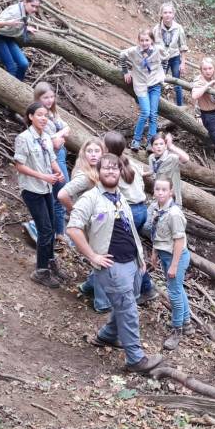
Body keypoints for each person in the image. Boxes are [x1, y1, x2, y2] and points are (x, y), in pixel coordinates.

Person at [67, 154, 163, 373]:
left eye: (114, 168)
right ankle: (135, 360)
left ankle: (107, 336)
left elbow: (129, 230)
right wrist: (93, 256)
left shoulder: (119, 195)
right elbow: (73, 228)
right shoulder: (90, 198)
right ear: (98, 172)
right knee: (128, 310)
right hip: (112, 267)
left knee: (127, 303)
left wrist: (140, 257)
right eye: (106, 168)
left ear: (120, 172)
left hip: (132, 262)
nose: (111, 171)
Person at [13, 101, 66, 288]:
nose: (44, 119)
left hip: (46, 188)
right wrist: (43, 176)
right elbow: (19, 165)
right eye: (40, 115)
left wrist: (58, 171)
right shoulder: (24, 138)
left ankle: (50, 261)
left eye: (46, 116)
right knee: (45, 230)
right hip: (32, 190)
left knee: (51, 227)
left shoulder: (45, 138)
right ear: (31, 117)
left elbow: (51, 158)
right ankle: (41, 271)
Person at [102, 131, 159, 305]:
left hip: (129, 213)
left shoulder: (112, 168)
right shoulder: (130, 162)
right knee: (131, 249)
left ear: (108, 149)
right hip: (141, 210)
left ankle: (145, 288)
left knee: (129, 253)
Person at [58, 137, 113, 314]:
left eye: (97, 151)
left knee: (102, 257)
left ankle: (89, 286)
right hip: (90, 224)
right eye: (90, 151)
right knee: (101, 259)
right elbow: (62, 194)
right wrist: (74, 211)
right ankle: (102, 302)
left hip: (98, 220)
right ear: (84, 154)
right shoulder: (84, 177)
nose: (93, 155)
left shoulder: (96, 172)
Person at [147, 178, 192, 350]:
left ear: (171, 192)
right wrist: (154, 253)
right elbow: (157, 233)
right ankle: (186, 323)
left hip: (176, 257)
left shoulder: (174, 214)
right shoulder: (157, 209)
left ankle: (176, 329)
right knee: (178, 289)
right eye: (157, 189)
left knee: (173, 293)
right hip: (165, 254)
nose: (160, 192)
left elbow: (179, 241)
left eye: (164, 189)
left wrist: (174, 265)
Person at [33, 81, 71, 245]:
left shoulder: (52, 113)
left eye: (51, 97)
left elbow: (67, 128)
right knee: (61, 193)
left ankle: (57, 229)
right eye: (45, 97)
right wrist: (60, 136)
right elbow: (53, 143)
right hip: (52, 158)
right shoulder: (39, 117)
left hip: (60, 155)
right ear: (38, 98)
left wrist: (59, 135)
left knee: (58, 192)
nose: (49, 100)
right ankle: (59, 233)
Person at [120, 28, 164, 152]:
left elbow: (166, 58)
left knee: (153, 115)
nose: (144, 43)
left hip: (154, 85)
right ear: (138, 41)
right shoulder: (134, 51)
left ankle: (151, 143)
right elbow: (122, 56)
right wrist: (125, 72)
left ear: (152, 41)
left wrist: (163, 73)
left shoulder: (157, 50)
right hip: (141, 85)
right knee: (145, 112)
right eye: (142, 40)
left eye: (147, 40)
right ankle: (136, 140)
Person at [0, 0, 40, 80]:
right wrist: (8, 23)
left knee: (24, 64)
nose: (34, 9)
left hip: (8, 38)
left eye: (36, 7)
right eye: (32, 6)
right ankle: (7, 87)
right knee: (12, 68)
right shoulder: (14, 11)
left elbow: (20, 21)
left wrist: (25, 27)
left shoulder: (26, 10)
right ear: (25, 2)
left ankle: (18, 84)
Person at [153, 2, 189, 107]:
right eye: (165, 12)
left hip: (174, 58)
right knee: (158, 81)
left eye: (170, 12)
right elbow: (152, 46)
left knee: (177, 82)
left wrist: (183, 63)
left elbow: (183, 46)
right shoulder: (156, 29)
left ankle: (179, 107)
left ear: (173, 14)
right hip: (161, 59)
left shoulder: (178, 28)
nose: (167, 15)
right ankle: (156, 104)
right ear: (161, 14)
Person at [148, 132, 189, 205]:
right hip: (159, 196)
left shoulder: (171, 157)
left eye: (161, 144)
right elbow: (152, 172)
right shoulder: (152, 158)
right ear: (152, 147)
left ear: (165, 146)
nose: (159, 146)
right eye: (156, 144)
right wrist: (141, 173)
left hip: (172, 199)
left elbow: (185, 159)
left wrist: (171, 146)